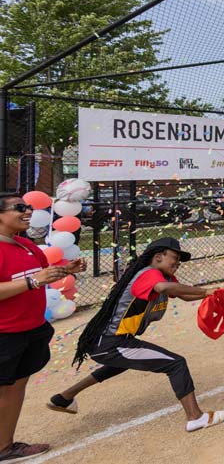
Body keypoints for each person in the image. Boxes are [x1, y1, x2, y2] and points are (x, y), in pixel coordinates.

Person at [50, 238, 224, 433]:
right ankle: (195, 417)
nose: (177, 263)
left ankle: (64, 397)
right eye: (175, 258)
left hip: (112, 343)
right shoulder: (149, 274)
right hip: (111, 343)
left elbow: (181, 294)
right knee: (176, 363)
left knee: (117, 366)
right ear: (158, 257)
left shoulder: (164, 276)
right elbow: (164, 289)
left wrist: (210, 294)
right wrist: (205, 290)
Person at [0, 195, 85, 460]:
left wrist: (66, 270)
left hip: (31, 330)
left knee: (16, 388)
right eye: (20, 208)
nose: (28, 212)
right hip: (5, 335)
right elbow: (33, 280)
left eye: (28, 207)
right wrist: (33, 281)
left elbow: (43, 273)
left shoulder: (26, 245)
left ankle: (5, 446)